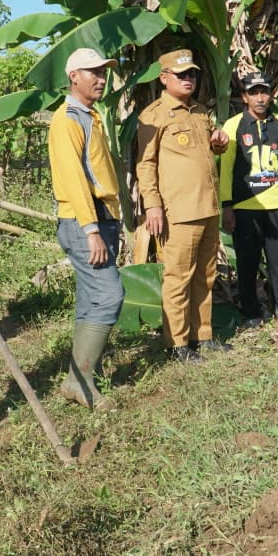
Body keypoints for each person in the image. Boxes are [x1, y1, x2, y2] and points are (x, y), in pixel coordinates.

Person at [136, 49, 231, 363]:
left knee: (205, 275)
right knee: (178, 277)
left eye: (192, 74)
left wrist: (218, 144)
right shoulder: (153, 116)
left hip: (207, 207)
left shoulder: (201, 112)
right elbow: (146, 165)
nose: (188, 79)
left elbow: (204, 155)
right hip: (179, 212)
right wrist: (152, 206)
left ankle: (201, 335)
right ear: (164, 78)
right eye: (181, 75)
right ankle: (177, 344)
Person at [49, 47, 125, 410]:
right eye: (92, 72)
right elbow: (74, 178)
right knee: (110, 296)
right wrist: (91, 229)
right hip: (85, 220)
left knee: (91, 299)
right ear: (73, 77)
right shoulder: (67, 119)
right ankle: (80, 379)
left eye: (103, 71)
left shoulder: (89, 116)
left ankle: (78, 379)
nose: (100, 77)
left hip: (100, 216)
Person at [219, 72, 278, 328]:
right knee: (247, 264)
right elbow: (226, 169)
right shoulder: (233, 126)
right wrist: (227, 206)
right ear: (244, 97)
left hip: (277, 205)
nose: (260, 98)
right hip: (245, 207)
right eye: (254, 92)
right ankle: (252, 315)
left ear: (272, 94)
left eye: (264, 92)